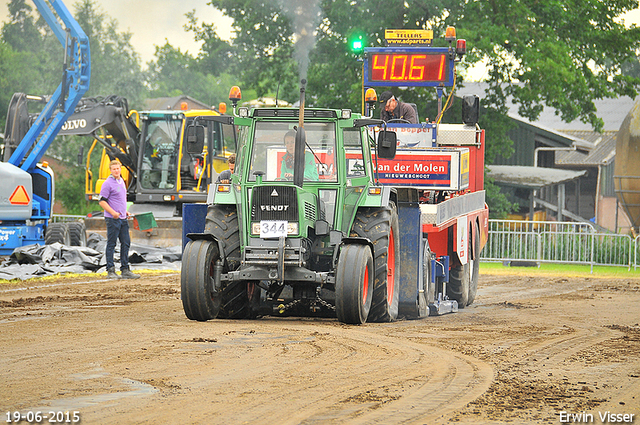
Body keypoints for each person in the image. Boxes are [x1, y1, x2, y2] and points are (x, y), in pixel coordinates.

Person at [98, 160, 140, 279]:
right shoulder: (107, 183)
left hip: (123, 218)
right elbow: (102, 201)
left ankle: (125, 269)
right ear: (110, 170)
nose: (116, 171)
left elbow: (120, 200)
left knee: (126, 242)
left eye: (118, 169)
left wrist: (124, 211)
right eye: (114, 169)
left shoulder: (121, 181)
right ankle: (110, 270)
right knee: (111, 244)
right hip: (113, 219)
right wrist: (113, 213)